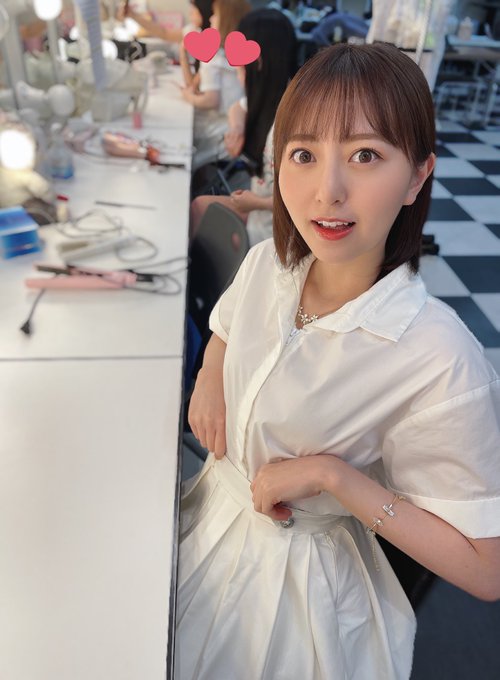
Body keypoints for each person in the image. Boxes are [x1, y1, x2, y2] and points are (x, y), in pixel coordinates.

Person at [176, 43, 500, 680]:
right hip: (205, 524)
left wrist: (335, 479)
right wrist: (212, 370)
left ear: (417, 176)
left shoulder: (437, 356)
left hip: (294, 594)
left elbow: (486, 569)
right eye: (304, 154)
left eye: (365, 155)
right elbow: (227, 325)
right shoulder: (267, 263)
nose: (328, 191)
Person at [189, 8, 297, 244]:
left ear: (257, 63)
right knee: (199, 206)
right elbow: (237, 107)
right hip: (259, 213)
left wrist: (255, 203)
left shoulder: (291, 126)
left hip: (275, 235)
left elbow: (303, 200)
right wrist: (237, 127)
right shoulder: (276, 93)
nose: (238, 74)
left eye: (238, 65)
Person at [181, 0, 250, 170]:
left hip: (220, 133)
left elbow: (211, 100)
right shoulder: (237, 55)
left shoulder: (214, 57)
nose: (211, 19)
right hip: (239, 129)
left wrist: (187, 96)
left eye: (215, 15)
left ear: (225, 19)